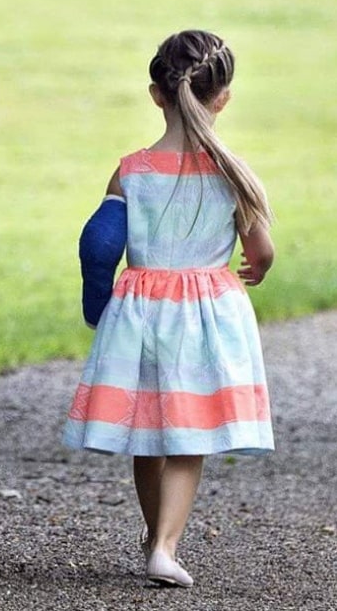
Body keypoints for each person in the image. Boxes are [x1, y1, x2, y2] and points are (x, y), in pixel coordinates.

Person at [64, 30, 275, 588]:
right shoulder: (234, 173)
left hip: (142, 312)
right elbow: (261, 251)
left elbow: (99, 244)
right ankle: (165, 545)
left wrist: (97, 301)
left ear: (156, 94)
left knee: (148, 428)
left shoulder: (131, 170)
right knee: (189, 434)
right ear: (223, 96)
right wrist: (256, 268)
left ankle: (151, 533)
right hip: (206, 314)